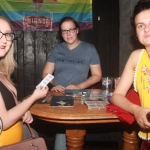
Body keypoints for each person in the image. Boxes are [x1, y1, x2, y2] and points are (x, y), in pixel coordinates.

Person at [42, 16, 102, 150]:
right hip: (58, 96)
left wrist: (79, 86)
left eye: (71, 30)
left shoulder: (90, 49)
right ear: (61, 34)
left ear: (78, 30)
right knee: (62, 131)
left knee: (69, 131)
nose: (68, 34)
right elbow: (46, 73)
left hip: (79, 97)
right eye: (64, 31)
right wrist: (54, 84)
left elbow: (97, 75)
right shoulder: (57, 50)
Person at [0, 15, 49, 147]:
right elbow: (3, 121)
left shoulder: (2, 72)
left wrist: (23, 111)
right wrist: (34, 97)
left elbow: (10, 105)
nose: (4, 40)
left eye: (7, 35)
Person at [111, 0, 150, 149]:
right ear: (136, 33)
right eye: (141, 25)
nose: (147, 29)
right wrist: (136, 110)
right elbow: (117, 95)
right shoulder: (136, 57)